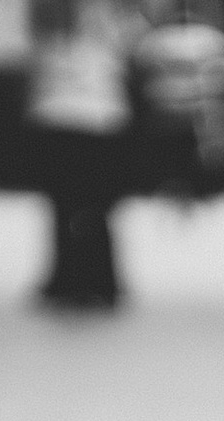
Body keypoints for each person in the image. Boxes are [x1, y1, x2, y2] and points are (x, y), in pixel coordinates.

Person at [26, 0, 140, 309]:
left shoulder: (49, 17)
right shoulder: (111, 17)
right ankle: (100, 281)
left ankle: (69, 278)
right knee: (95, 205)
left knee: (65, 205)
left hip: (59, 115)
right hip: (98, 118)